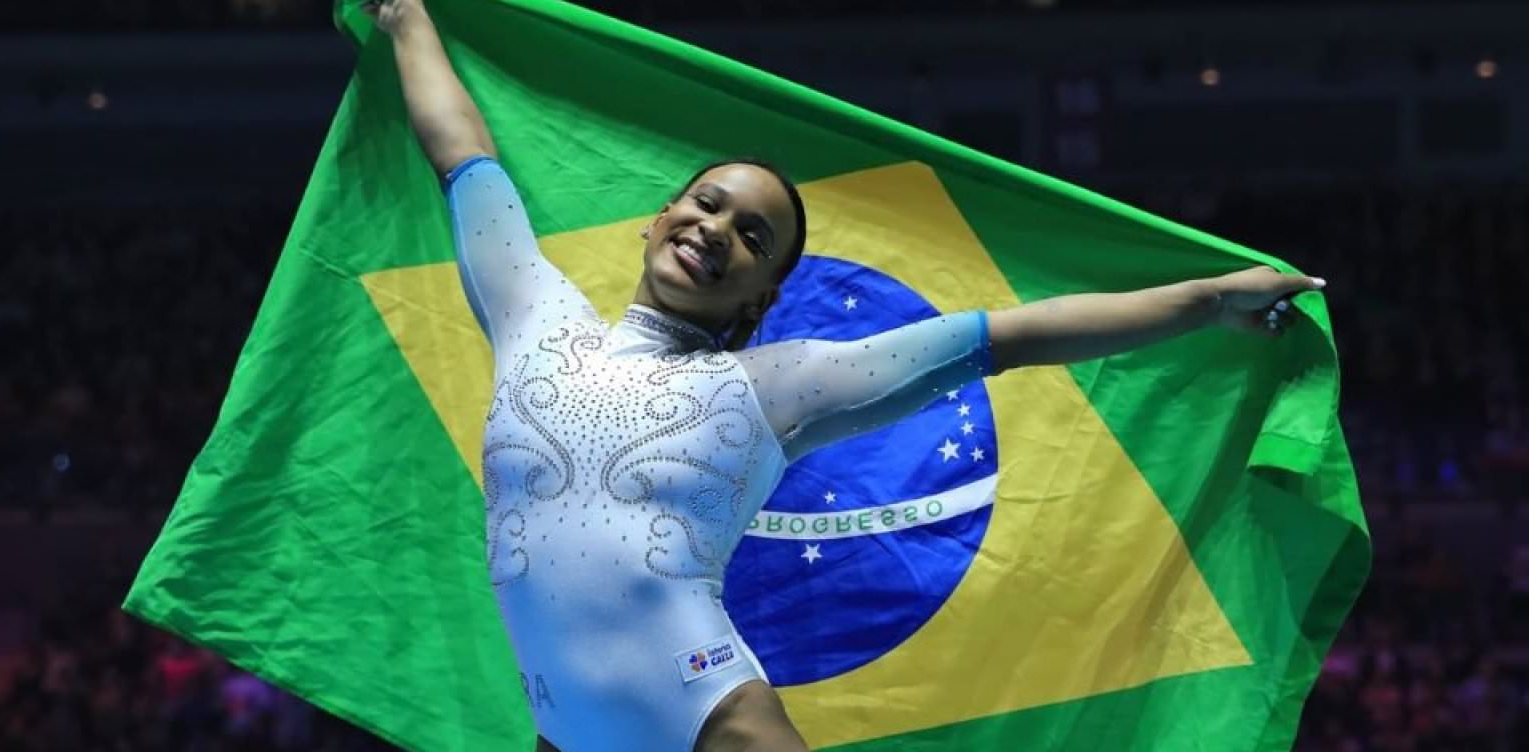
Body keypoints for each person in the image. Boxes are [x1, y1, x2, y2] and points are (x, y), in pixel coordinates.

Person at [362, 1, 1326, 750]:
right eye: (706, 205)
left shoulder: (778, 389)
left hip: (710, 717)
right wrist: (403, 14)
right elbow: (462, 151)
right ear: (657, 219)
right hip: (564, 734)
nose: (717, 232)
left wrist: (1209, 298)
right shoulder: (533, 310)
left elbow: (1012, 334)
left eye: (753, 237)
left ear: (759, 299)